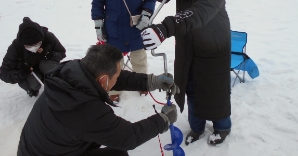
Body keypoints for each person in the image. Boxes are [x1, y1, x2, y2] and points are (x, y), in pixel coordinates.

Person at [141, 0, 231, 146]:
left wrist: (165, 28)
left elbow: (201, 10)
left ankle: (222, 126)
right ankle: (197, 126)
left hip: (213, 41)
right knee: (189, 84)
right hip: (187, 39)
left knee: (213, 87)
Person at [17, 44, 179, 156]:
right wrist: (163, 120)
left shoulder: (73, 71)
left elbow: (114, 76)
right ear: (103, 81)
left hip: (42, 148)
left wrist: (151, 81)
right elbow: (127, 137)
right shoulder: (85, 111)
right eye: (116, 76)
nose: (118, 77)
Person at [91, 0, 156, 102]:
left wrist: (147, 15)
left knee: (139, 59)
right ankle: (114, 89)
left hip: (137, 26)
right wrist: (99, 25)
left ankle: (142, 84)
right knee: (114, 62)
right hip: (113, 28)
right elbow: (98, 0)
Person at [0, 17, 66, 97]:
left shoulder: (48, 37)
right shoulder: (16, 47)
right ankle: (32, 89)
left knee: (50, 68)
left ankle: (55, 83)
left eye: (37, 44)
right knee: (33, 84)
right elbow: (3, 73)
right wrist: (20, 73)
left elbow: (62, 53)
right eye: (29, 46)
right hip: (30, 72)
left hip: (45, 65)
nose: (34, 47)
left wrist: (49, 54)